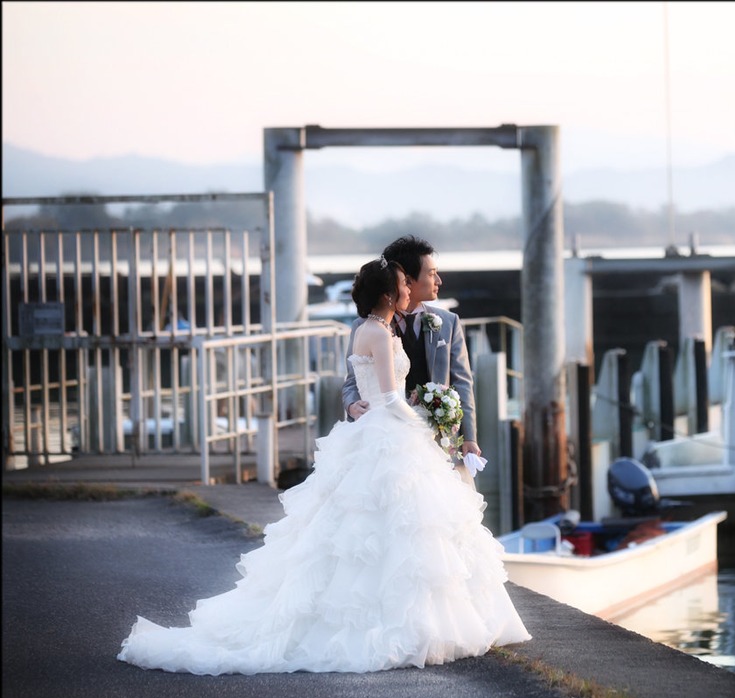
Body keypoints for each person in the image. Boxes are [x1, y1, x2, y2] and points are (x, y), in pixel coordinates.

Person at [117, 256, 531, 675]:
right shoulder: (378, 333)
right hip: (389, 434)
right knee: (393, 530)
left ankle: (420, 619)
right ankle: (402, 623)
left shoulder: (394, 327)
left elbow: (432, 384)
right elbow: (387, 398)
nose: (411, 289)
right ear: (390, 293)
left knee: (388, 531)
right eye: (406, 283)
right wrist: (425, 420)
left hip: (382, 434)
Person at [343, 234, 481, 481]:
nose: (438, 280)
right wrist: (352, 405)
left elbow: (462, 383)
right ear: (406, 280)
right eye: (431, 273)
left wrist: (469, 437)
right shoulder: (364, 327)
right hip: (383, 440)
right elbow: (353, 380)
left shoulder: (448, 323)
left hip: (438, 441)